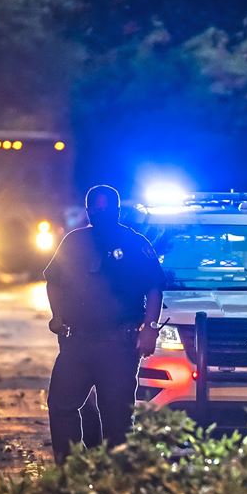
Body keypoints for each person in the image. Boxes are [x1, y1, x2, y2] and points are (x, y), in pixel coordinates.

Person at [44, 185, 165, 463]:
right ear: (88, 211)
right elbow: (54, 281)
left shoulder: (134, 242)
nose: (101, 212)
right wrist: (57, 315)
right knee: (61, 406)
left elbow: (154, 288)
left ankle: (116, 477)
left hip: (119, 346)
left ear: (117, 210)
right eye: (95, 208)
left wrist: (149, 329)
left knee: (117, 419)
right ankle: (70, 469)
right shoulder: (73, 241)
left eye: (106, 207)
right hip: (77, 343)